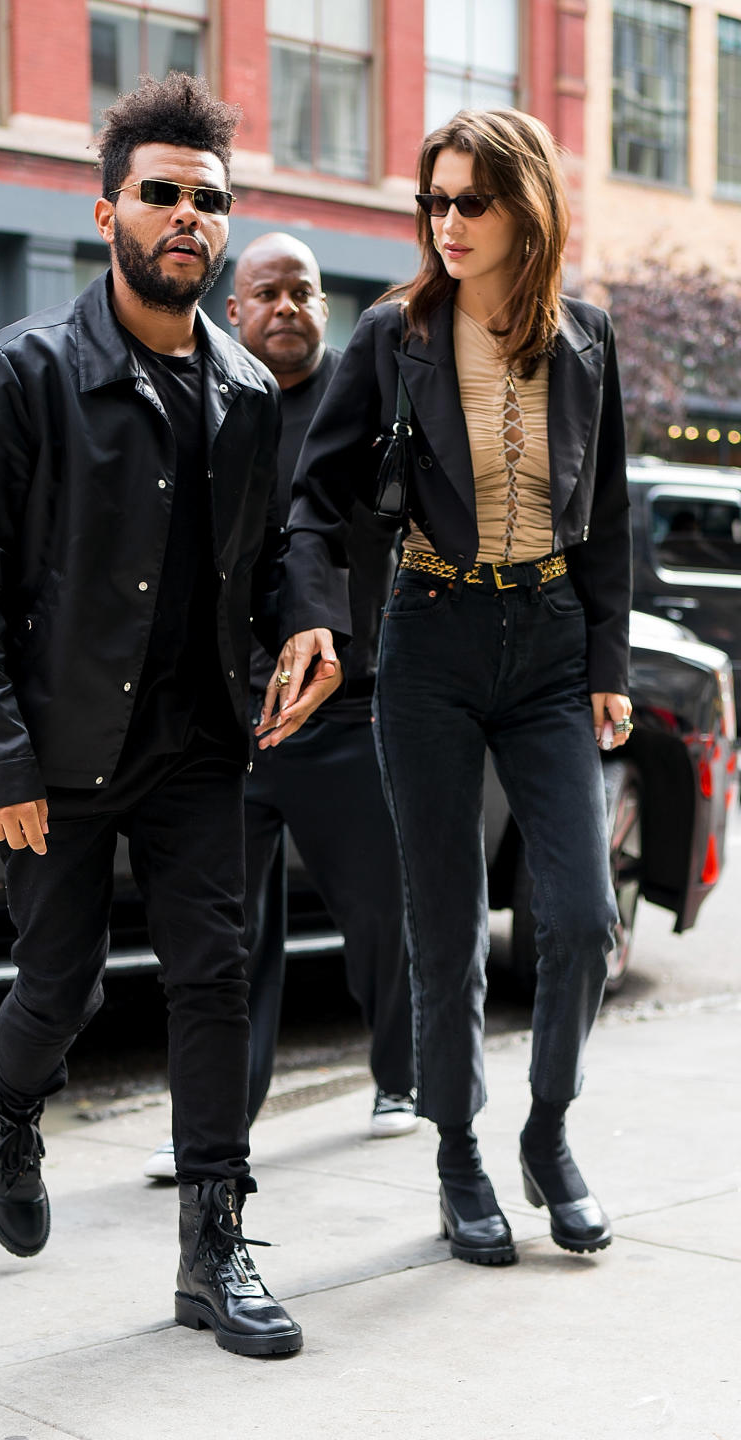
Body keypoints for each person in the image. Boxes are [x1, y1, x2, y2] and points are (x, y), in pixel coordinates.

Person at [0, 73, 342, 1359]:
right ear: (107, 211)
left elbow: (268, 555)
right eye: (162, 195)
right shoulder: (18, 375)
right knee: (65, 982)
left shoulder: (246, 395)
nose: (188, 218)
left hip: (201, 745)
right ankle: (6, 1097)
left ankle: (213, 1249)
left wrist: (308, 612)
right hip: (55, 748)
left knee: (216, 978)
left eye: (209, 200)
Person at [266, 108, 633, 1266]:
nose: (449, 223)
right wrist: (320, 622)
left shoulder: (588, 339)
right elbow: (314, 502)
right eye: (434, 201)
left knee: (580, 919)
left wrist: (609, 668)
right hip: (427, 634)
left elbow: (609, 517)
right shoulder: (394, 334)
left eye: (472, 200)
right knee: (447, 921)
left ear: (527, 205)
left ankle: (550, 1131)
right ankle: (457, 1152)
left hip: (551, 642)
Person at [143, 233, 416, 1181]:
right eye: (266, 293)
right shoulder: (218, 405)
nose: (286, 307)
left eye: (303, 291)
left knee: (377, 909)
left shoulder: (364, 400)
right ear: (235, 311)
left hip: (348, 703)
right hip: (234, 715)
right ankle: (220, 1121)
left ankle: (401, 1076)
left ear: (323, 309)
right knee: (226, 934)